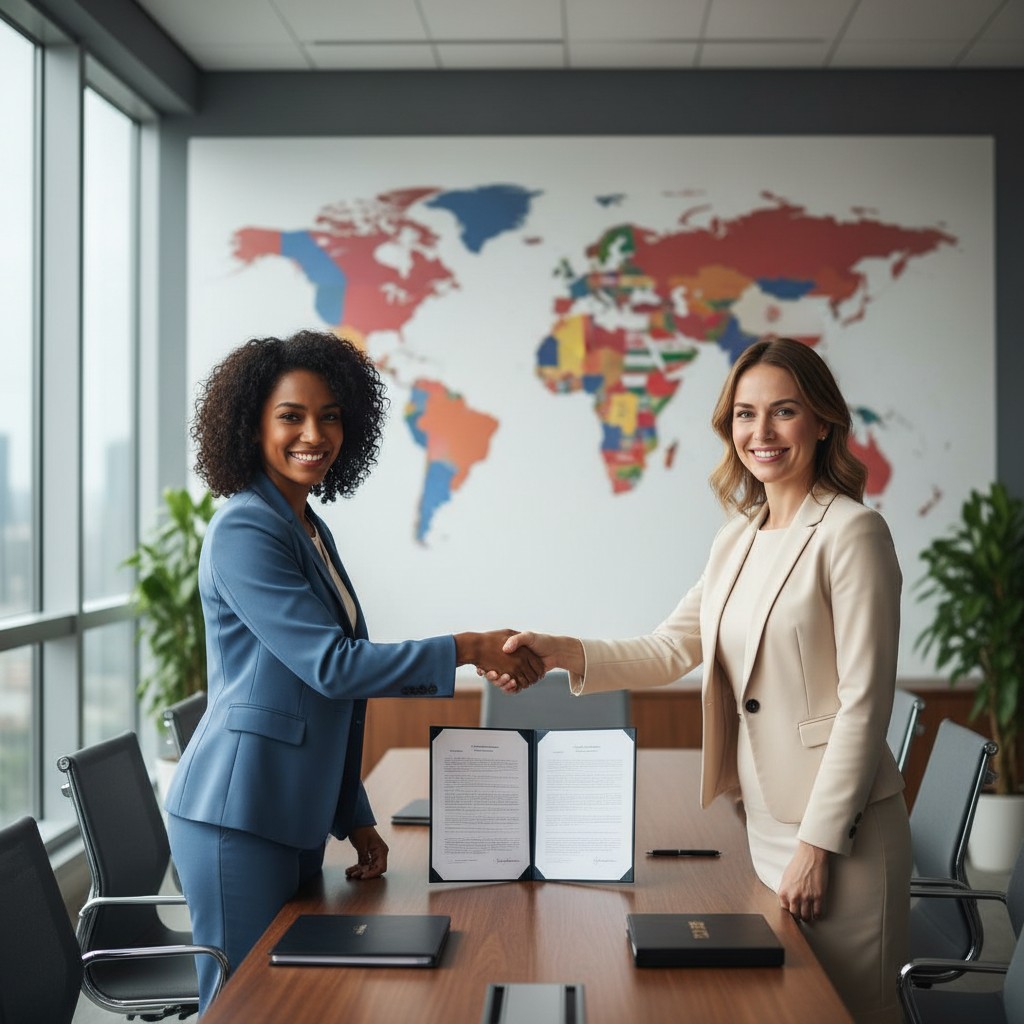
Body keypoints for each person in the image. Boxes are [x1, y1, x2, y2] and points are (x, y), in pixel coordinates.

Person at [487, 337, 910, 1024]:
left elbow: (864, 705)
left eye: (784, 412)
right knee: (785, 1009)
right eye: (745, 414)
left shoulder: (853, 533)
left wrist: (818, 845)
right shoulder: (738, 536)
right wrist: (560, 649)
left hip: (842, 837)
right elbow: (669, 648)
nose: (761, 433)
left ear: (823, 421)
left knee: (850, 1012)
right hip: (766, 822)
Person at [164, 329, 540, 1014]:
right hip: (238, 814)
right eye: (291, 416)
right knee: (246, 1005)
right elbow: (333, 669)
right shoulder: (245, 530)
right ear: (251, 424)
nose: (315, 433)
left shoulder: (304, 525)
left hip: (290, 809)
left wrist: (352, 815)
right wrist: (467, 645)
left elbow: (321, 701)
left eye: (330, 415)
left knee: (299, 998)